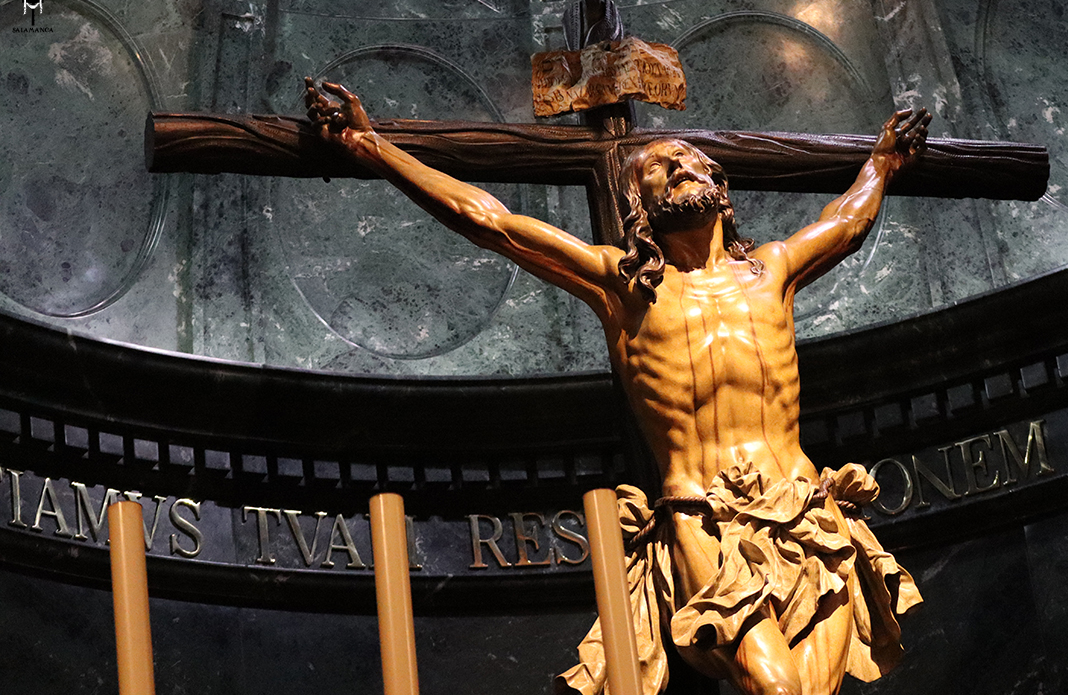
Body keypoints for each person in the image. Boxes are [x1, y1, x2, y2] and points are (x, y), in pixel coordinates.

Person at [305, 77, 927, 695]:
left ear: (719, 186)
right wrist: (372, 146)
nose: (677, 167)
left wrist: (881, 164)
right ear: (640, 204)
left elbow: (848, 221)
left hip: (807, 515)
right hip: (704, 518)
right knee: (777, 690)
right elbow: (491, 221)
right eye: (658, 167)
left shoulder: (773, 271)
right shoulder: (624, 287)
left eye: (687, 159)